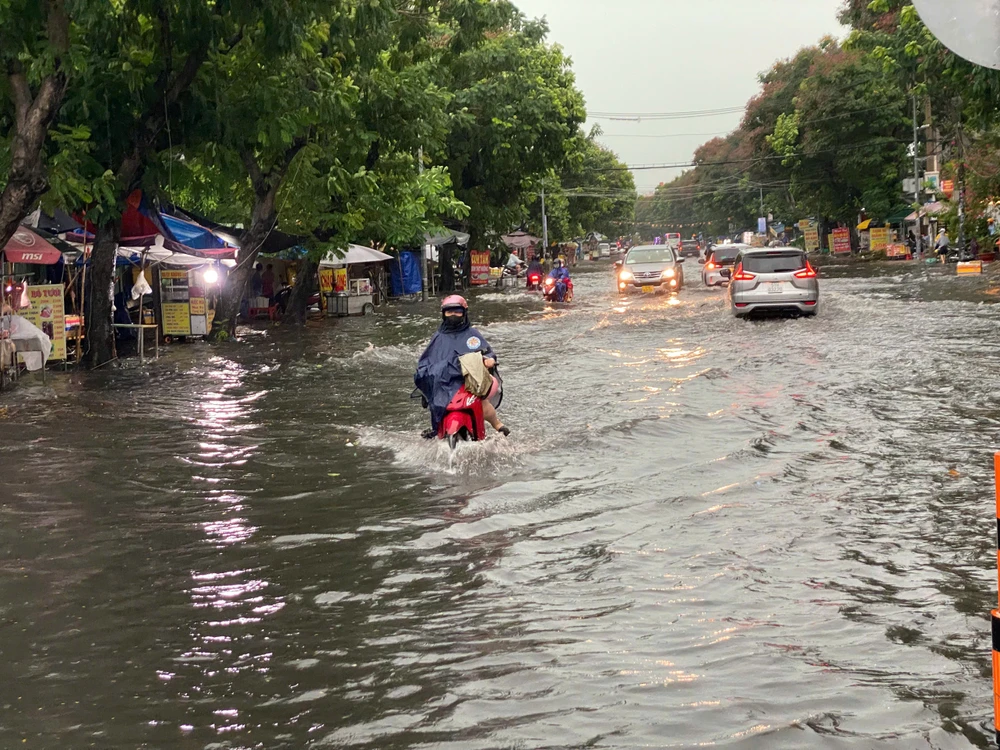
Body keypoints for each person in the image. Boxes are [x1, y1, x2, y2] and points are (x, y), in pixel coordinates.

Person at [414, 295, 509, 439]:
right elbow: (426, 360)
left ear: (464, 312)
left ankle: (497, 424)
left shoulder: (472, 334)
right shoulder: (438, 337)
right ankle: (436, 428)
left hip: (468, 380)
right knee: (435, 401)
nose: (453, 314)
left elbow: (487, 351)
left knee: (481, 401)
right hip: (444, 381)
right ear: (443, 314)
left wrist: (488, 359)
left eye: (457, 311)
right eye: (449, 311)